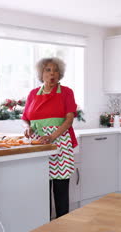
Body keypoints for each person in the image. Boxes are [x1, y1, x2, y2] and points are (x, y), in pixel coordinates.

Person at [22, 57, 78, 218]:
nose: (52, 74)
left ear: (60, 74)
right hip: (39, 144)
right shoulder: (33, 93)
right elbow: (25, 118)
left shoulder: (66, 92)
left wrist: (52, 136)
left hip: (59, 142)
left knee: (60, 190)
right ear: (41, 73)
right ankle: (44, 224)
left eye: (55, 70)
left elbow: (69, 119)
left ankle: (63, 223)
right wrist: (28, 128)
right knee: (41, 190)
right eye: (48, 70)